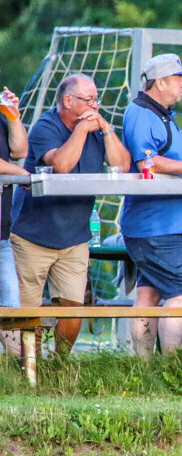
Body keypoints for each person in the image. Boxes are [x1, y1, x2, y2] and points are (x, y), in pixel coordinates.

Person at [10, 74, 131, 355]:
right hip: (33, 236)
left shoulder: (95, 129)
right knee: (27, 310)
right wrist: (81, 131)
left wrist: (106, 129)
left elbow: (122, 166)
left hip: (75, 237)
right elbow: (62, 165)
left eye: (96, 100)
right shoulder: (45, 127)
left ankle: (60, 366)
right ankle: (28, 367)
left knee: (73, 307)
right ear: (68, 101)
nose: (95, 106)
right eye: (88, 100)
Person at [120, 54, 182, 356]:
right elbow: (147, 161)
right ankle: (171, 366)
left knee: (149, 293)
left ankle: (143, 369)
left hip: (160, 227)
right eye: (178, 79)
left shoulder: (159, 113)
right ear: (160, 82)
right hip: (156, 227)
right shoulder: (142, 113)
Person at [0, 83, 28, 355]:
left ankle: (16, 376)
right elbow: (19, 167)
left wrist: (13, 115)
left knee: (11, 308)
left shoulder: (1, 115)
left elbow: (20, 152)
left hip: (1, 236)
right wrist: (23, 176)